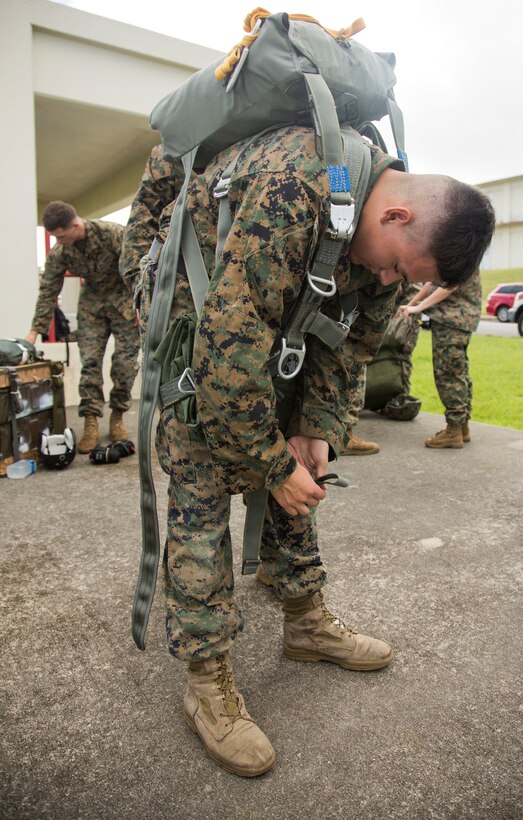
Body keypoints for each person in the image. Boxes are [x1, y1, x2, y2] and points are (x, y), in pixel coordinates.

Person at [122, 128, 495, 777]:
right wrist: (270, 464)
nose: (386, 280)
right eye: (397, 269)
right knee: (202, 492)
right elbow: (226, 345)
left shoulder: (381, 240)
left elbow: (352, 346)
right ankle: (206, 678)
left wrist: (315, 430)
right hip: (200, 326)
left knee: (304, 466)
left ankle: (303, 619)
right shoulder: (293, 183)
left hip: (269, 329)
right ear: (395, 215)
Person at [26, 201, 140, 452]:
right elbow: (48, 292)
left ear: (76, 225)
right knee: (90, 363)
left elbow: (139, 269)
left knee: (125, 363)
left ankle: (118, 415)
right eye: (55, 237)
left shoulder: (112, 234)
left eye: (61, 235)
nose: (59, 241)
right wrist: (34, 332)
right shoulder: (61, 252)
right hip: (92, 305)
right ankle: (90, 421)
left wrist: (143, 306)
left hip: (124, 302)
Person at [396, 269, 482, 447]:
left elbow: (449, 285)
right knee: (459, 371)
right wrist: (411, 305)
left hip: (452, 320)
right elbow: (431, 283)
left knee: (449, 374)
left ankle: (453, 431)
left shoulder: (460, 244)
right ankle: (461, 426)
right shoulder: (457, 246)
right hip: (456, 320)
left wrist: (418, 307)